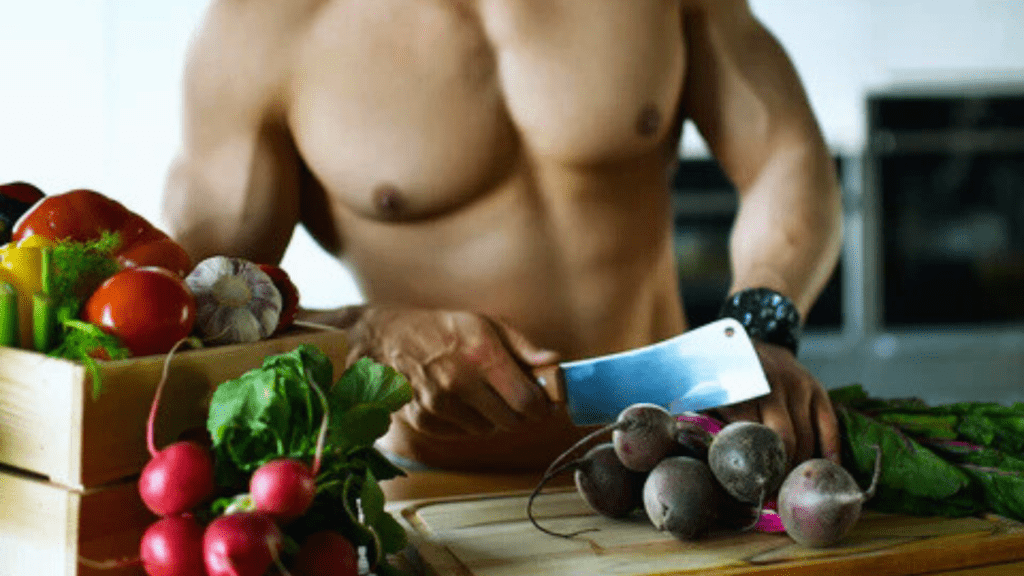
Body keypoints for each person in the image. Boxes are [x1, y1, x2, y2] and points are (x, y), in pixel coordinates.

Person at [162, 0, 844, 473]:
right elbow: (188, 313)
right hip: (429, 488)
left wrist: (762, 325)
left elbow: (784, 154)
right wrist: (360, 337)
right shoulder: (259, 32)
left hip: (681, 460)